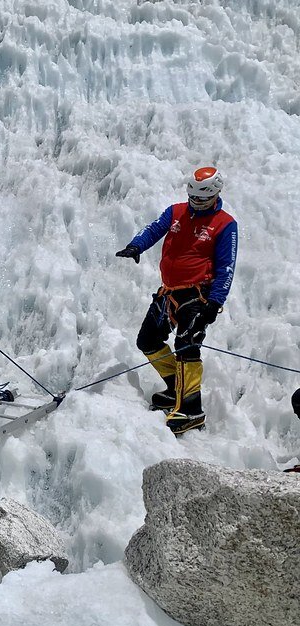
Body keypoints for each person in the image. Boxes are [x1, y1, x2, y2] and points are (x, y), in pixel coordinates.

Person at [116, 166, 238, 435]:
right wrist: (137, 245)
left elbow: (226, 267)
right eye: (193, 197)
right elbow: (154, 229)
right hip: (169, 292)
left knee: (187, 345)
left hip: (198, 295)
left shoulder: (225, 225)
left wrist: (214, 304)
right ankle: (176, 389)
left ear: (215, 194)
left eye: (202, 199)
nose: (196, 202)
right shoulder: (176, 212)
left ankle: (192, 410)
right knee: (147, 340)